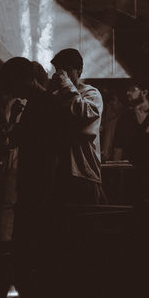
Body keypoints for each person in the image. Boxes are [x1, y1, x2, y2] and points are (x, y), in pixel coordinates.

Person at [48, 48, 105, 205]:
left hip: (84, 172)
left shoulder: (92, 94)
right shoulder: (56, 96)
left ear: (79, 70)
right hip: (59, 172)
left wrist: (65, 84)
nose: (61, 74)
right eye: (58, 69)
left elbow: (82, 113)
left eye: (67, 69)